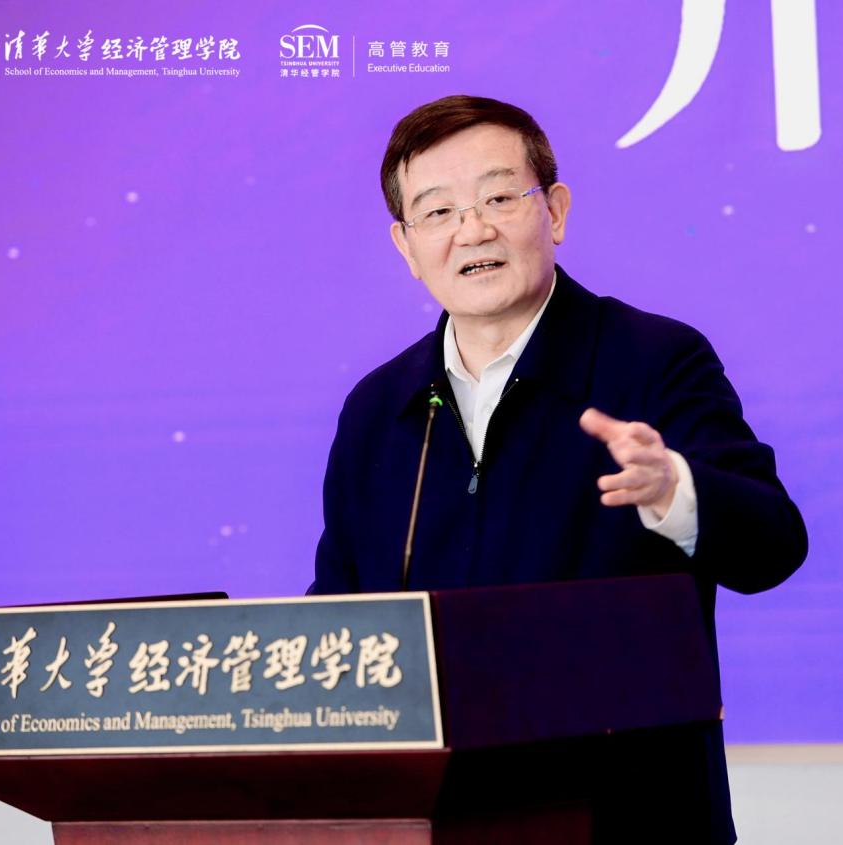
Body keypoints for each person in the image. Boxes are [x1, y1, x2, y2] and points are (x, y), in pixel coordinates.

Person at [309, 94, 807, 843]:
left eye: (499, 198)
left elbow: (774, 545)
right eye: (438, 212)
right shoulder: (379, 408)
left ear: (557, 211)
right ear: (406, 247)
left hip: (631, 821)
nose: (473, 229)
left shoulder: (653, 359)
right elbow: (337, 617)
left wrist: (676, 491)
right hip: (435, 823)